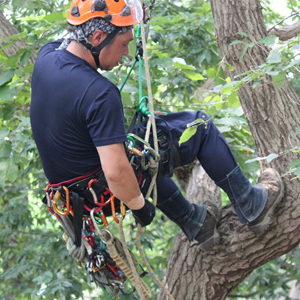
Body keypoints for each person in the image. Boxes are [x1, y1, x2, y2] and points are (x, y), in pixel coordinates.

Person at [30, 0, 284, 251]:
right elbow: (117, 172)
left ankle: (196, 222)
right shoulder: (99, 93)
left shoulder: (47, 56)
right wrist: (139, 205)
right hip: (105, 191)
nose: (127, 53)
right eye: (124, 44)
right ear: (97, 37)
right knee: (200, 127)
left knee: (139, 142)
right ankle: (251, 204)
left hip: (74, 193)